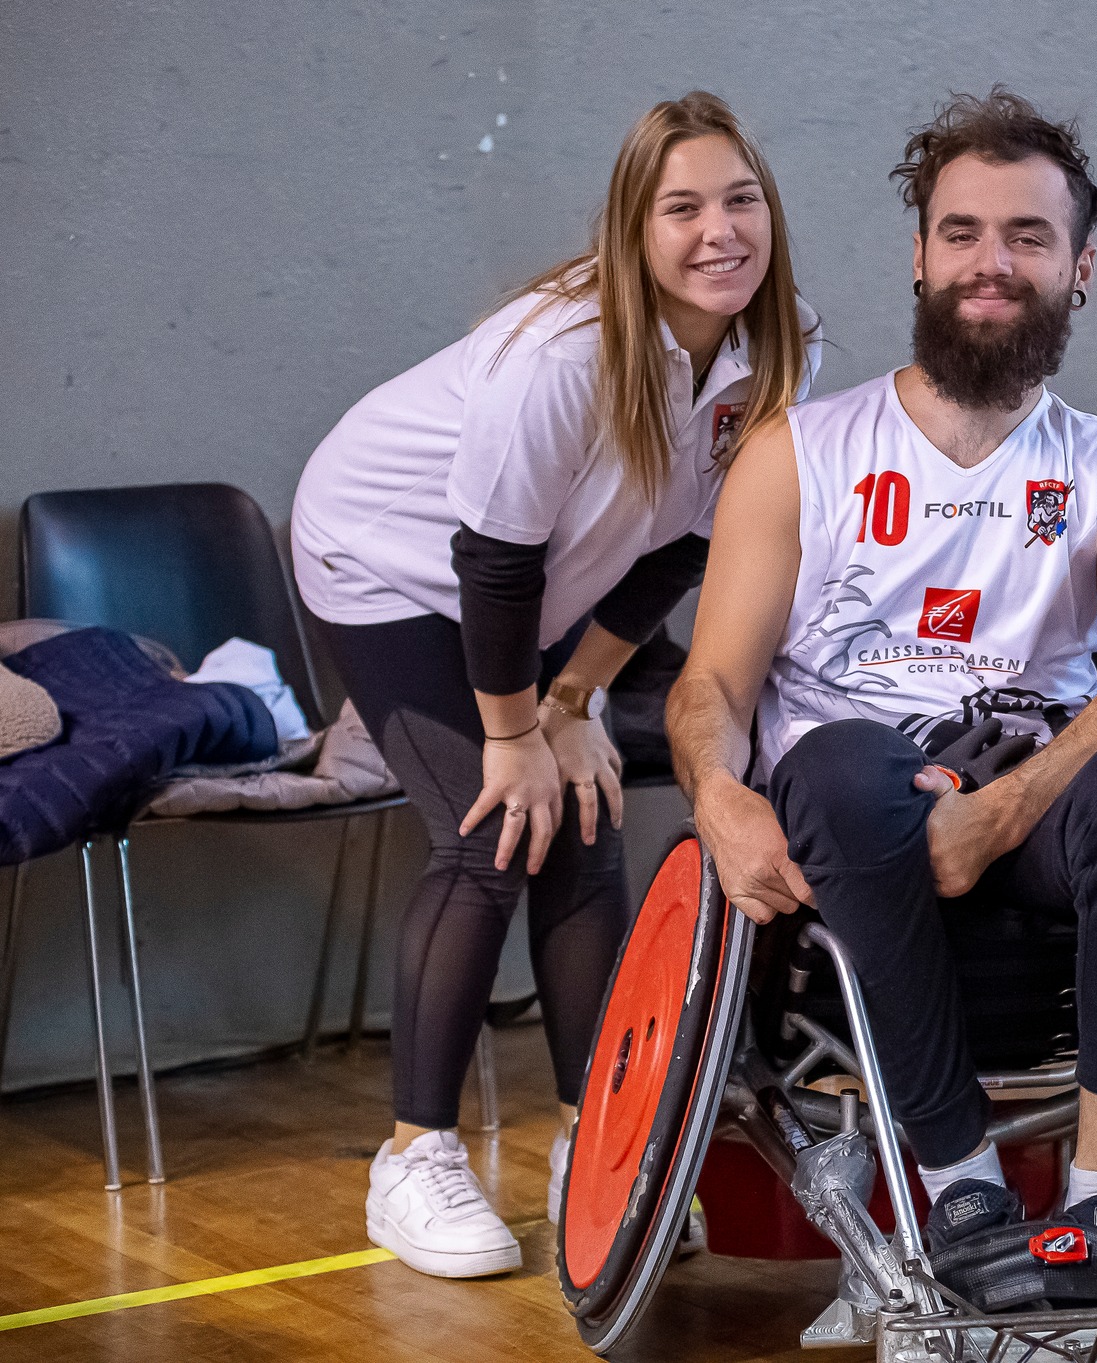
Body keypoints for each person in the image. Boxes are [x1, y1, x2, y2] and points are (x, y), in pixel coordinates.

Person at [670, 89, 1097, 1264]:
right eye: (962, 232)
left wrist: (1004, 808)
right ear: (917, 256)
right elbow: (709, 684)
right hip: (849, 813)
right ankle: (961, 1182)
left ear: (1080, 269)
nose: (992, 262)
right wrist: (718, 797)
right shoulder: (796, 452)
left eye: (1028, 236)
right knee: (836, 762)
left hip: (1033, 813)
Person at [290, 93, 820, 1279]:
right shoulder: (561, 354)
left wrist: (575, 700)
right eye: (682, 207)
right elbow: (492, 557)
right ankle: (413, 1155)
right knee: (493, 832)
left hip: (547, 582)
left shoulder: (778, 344)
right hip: (390, 562)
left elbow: (692, 543)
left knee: (585, 821)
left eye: (741, 200)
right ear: (633, 229)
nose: (719, 231)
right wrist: (515, 728)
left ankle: (604, 1141)